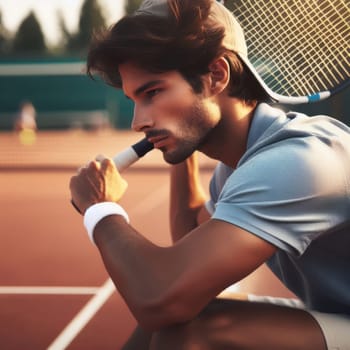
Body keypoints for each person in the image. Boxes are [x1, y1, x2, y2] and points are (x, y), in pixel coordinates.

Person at [69, 0, 350, 349]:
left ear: (217, 75)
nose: (138, 122)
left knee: (189, 332)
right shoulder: (241, 165)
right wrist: (178, 146)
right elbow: (189, 234)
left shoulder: (298, 161)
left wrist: (100, 209)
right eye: (133, 100)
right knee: (170, 327)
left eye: (153, 93)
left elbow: (161, 298)